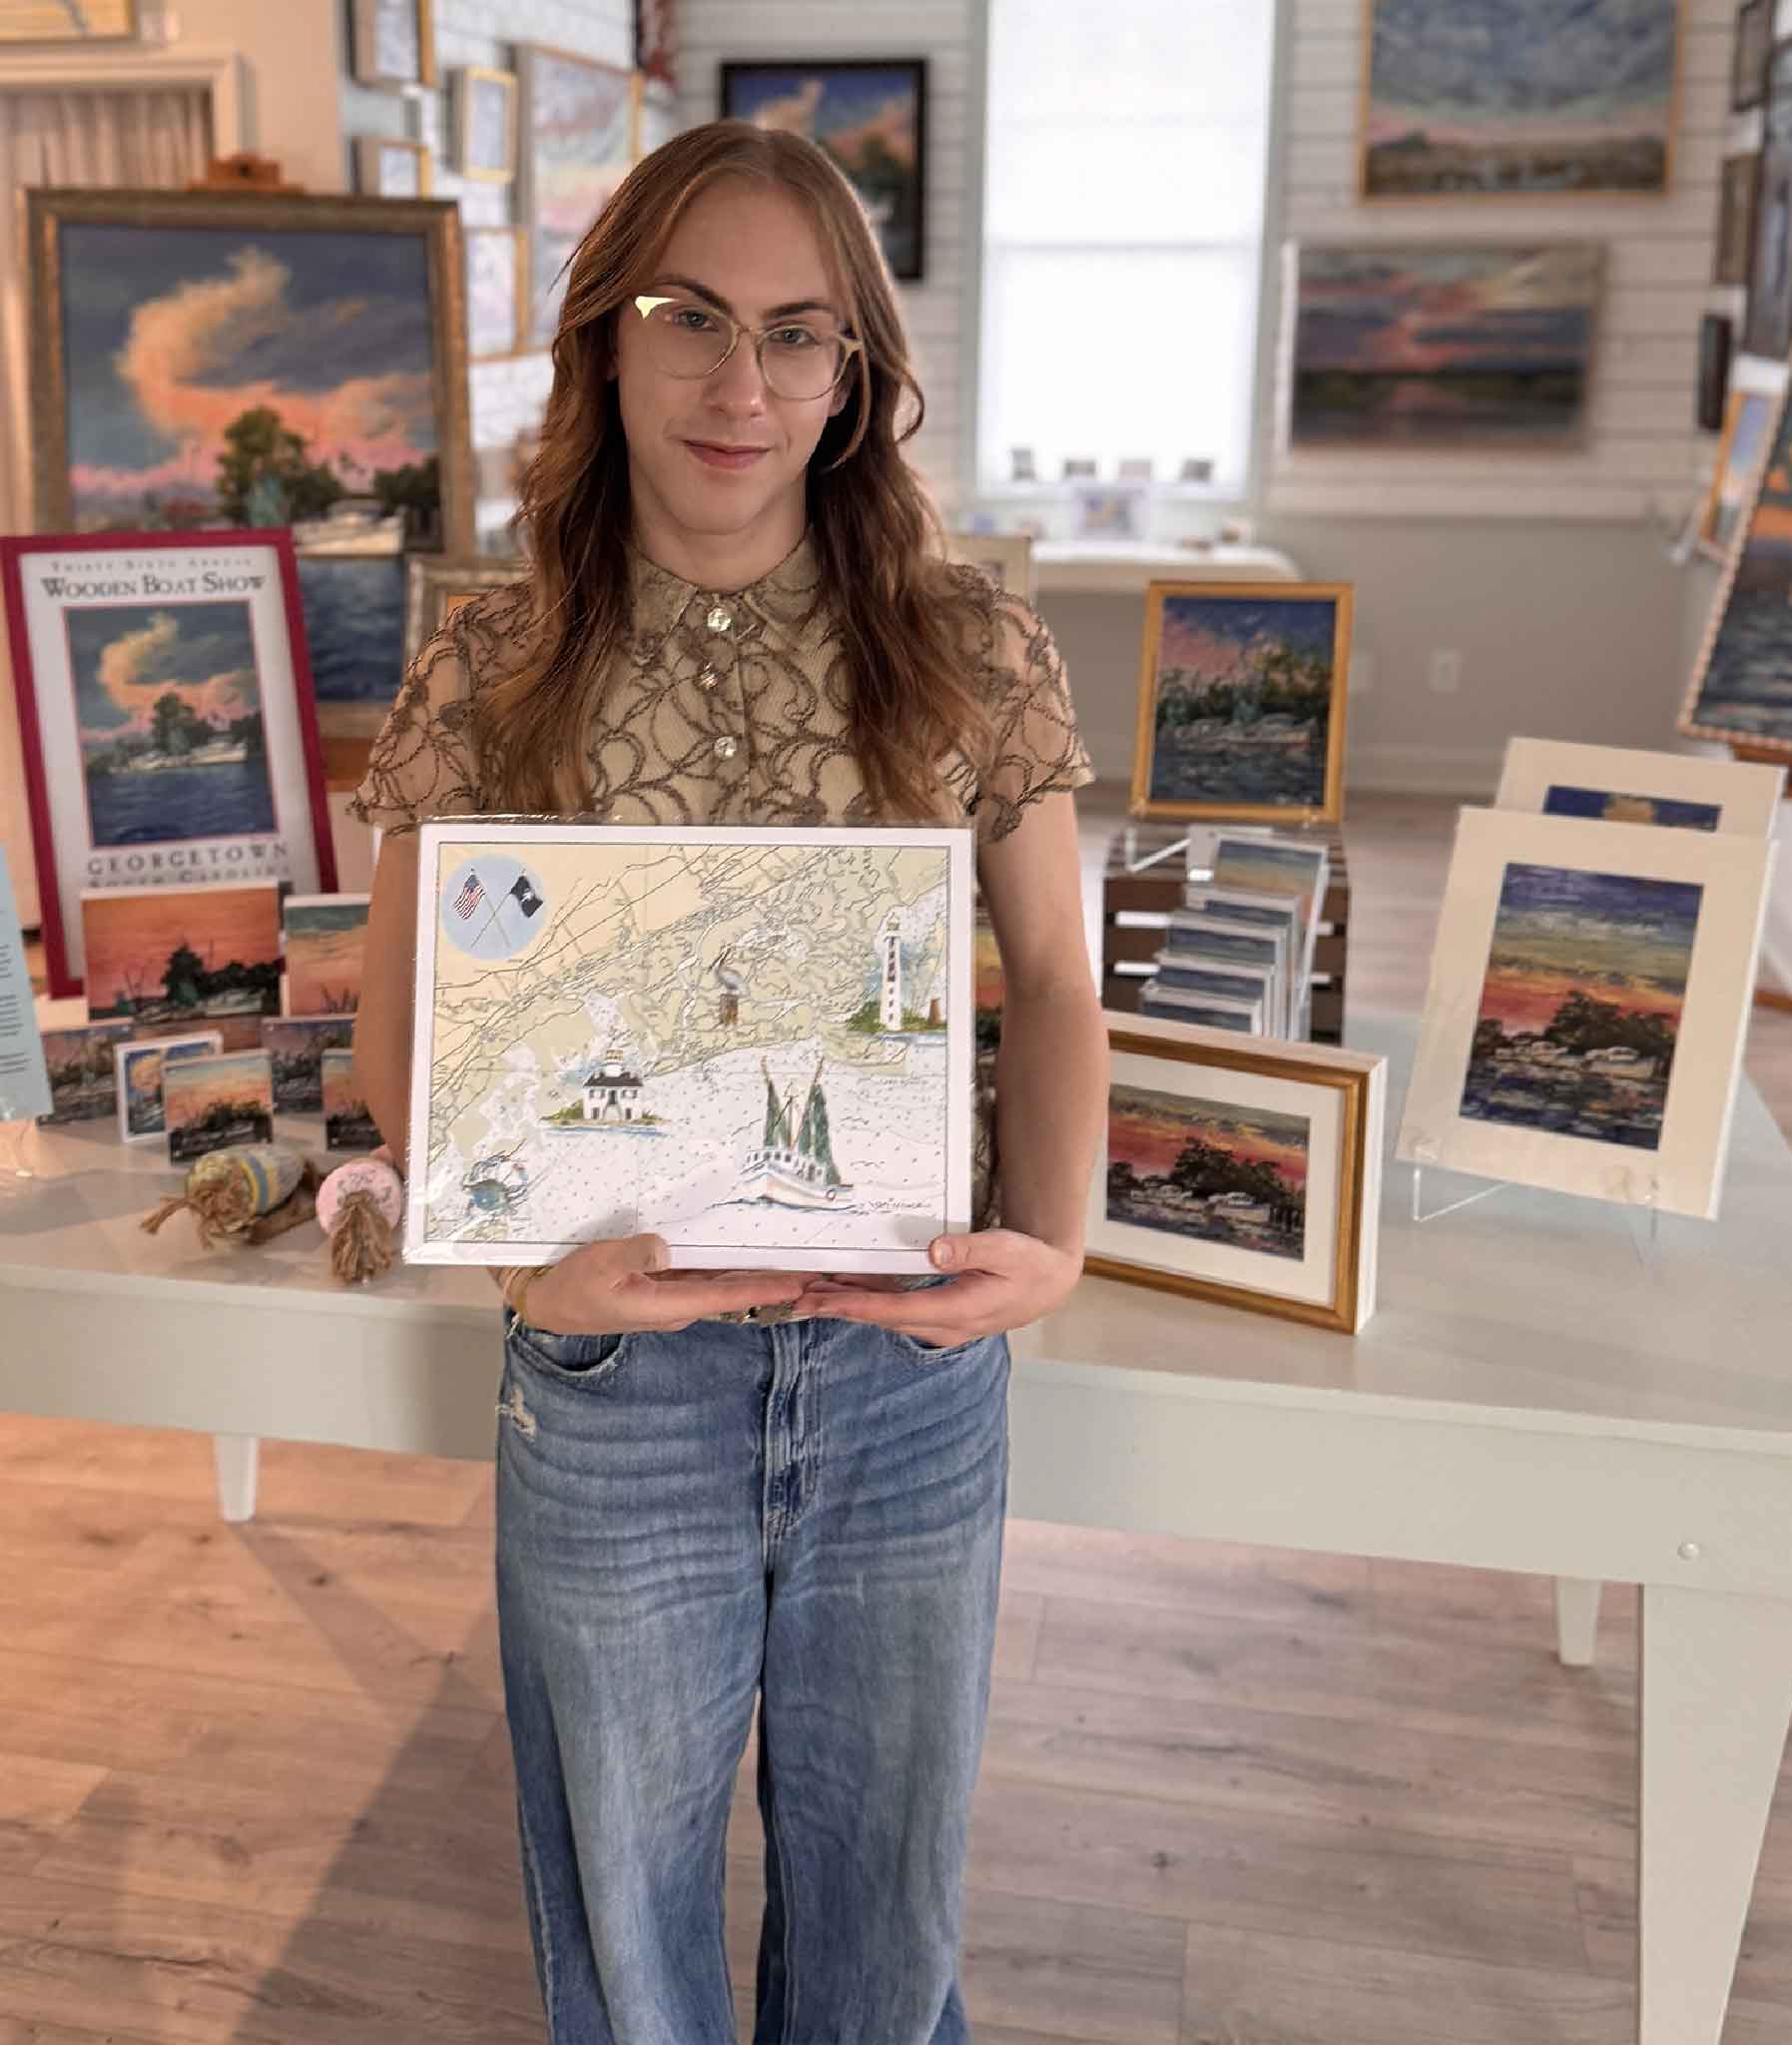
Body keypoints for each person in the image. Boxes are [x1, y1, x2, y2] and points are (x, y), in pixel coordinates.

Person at [351, 122, 1106, 2045]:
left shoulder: (969, 646)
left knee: (888, 1915)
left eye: (796, 332)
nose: (739, 384)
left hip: (908, 1363)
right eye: (689, 316)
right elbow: (397, 1030)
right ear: (604, 337)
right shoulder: (491, 663)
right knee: (628, 1912)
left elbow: (1055, 979)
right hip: (619, 1374)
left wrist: (1057, 1244)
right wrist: (521, 1271)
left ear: (856, 372)